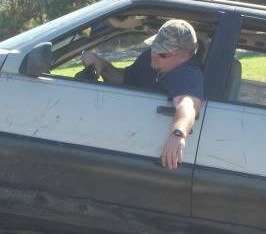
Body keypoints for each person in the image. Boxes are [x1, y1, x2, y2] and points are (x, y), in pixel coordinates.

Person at [80, 18, 204, 170]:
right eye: (154, 48)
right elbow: (123, 79)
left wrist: (178, 135)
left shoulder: (188, 74)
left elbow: (188, 105)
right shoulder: (149, 58)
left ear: (185, 56)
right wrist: (101, 64)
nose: (154, 56)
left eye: (162, 53)